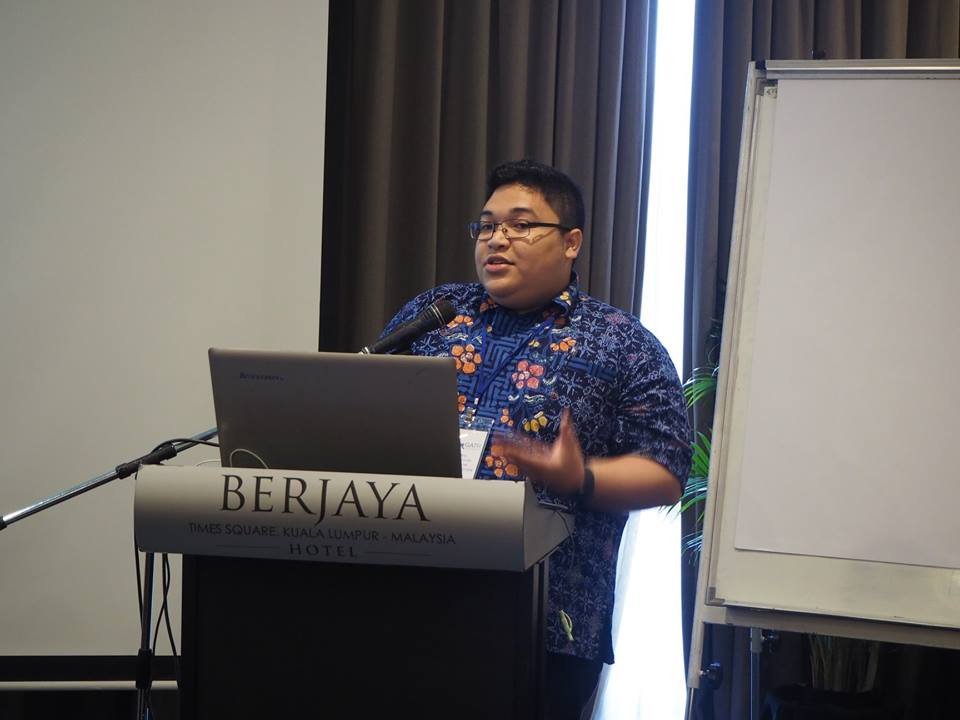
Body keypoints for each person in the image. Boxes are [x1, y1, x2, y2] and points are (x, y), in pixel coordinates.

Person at [380, 159, 691, 719]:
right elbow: (368, 406)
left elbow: (665, 471)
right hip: (407, 600)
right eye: (486, 225)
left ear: (571, 242)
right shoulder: (434, 315)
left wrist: (581, 477)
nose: (496, 239)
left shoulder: (624, 343)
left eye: (520, 225)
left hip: (547, 620)